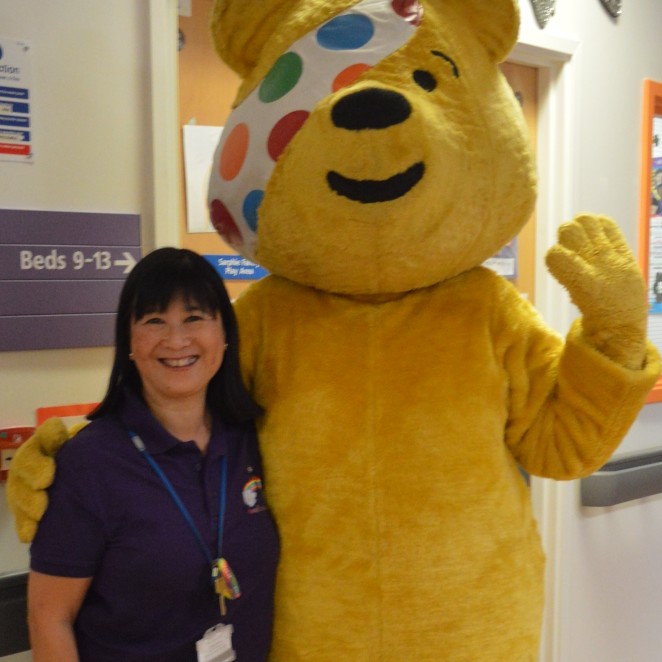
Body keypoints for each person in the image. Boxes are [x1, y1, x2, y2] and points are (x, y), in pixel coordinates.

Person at [27, 248, 279, 662]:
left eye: (194, 319)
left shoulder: (252, 438)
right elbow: (49, 616)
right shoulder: (89, 462)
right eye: (154, 321)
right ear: (129, 340)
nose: (177, 340)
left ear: (225, 333)